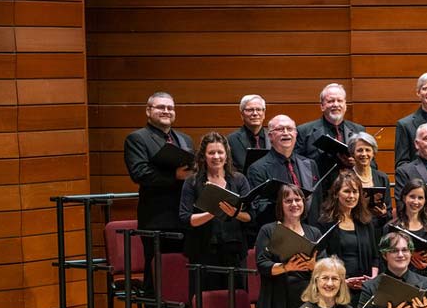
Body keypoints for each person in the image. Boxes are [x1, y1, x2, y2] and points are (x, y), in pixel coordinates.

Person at [179, 132, 251, 281]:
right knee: (206, 299)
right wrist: (213, 211)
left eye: (220, 152)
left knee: (235, 297)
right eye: (211, 153)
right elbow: (186, 218)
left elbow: (250, 216)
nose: (216, 156)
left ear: (226, 155)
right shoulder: (192, 181)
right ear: (204, 156)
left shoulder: (239, 180)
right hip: (203, 250)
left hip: (234, 249)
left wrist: (234, 213)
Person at [124, 91, 194, 235]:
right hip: (157, 218)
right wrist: (174, 175)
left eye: (170, 108)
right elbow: (139, 173)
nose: (166, 111)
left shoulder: (185, 139)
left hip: (185, 215)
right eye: (161, 107)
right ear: (148, 111)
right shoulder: (137, 138)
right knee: (158, 258)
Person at [248, 114, 323, 228]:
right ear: (270, 136)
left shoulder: (310, 164)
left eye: (290, 129)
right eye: (280, 129)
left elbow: (318, 202)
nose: (286, 132)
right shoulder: (257, 169)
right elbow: (258, 208)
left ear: (296, 134)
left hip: (310, 232)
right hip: (279, 233)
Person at [318, 172, 379, 286]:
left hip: (365, 286)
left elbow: (375, 257)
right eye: (346, 191)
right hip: (336, 285)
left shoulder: (366, 222)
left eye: (355, 192)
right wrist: (342, 282)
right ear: (336, 194)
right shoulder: (325, 223)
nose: (351, 196)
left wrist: (372, 279)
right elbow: (322, 260)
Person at [295, 83, 365, 171]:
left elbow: (372, 165)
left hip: (351, 183)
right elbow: (296, 165)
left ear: (345, 105)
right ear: (322, 106)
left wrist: (357, 163)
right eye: (330, 101)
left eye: (339, 101)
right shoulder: (304, 131)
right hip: (320, 183)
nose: (335, 104)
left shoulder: (359, 130)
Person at [344, 133, 392, 219]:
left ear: (373, 153)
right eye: (359, 150)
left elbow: (389, 210)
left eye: (367, 150)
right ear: (352, 153)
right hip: (354, 226)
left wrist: (384, 213)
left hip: (377, 228)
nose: (364, 154)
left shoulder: (382, 178)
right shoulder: (345, 178)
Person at [226, 94, 269, 172]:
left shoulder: (273, 137)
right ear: (242, 114)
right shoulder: (231, 140)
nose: (255, 113)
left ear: (264, 113)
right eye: (250, 110)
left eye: (259, 109)